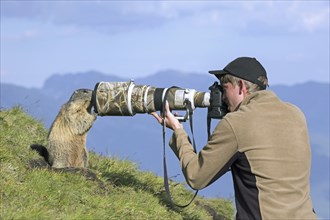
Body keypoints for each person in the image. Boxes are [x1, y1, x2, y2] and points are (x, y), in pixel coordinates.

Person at [151, 57, 316, 219]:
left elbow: (196, 176)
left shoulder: (237, 122)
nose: (222, 97)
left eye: (224, 88)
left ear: (241, 86)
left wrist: (178, 130)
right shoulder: (296, 114)